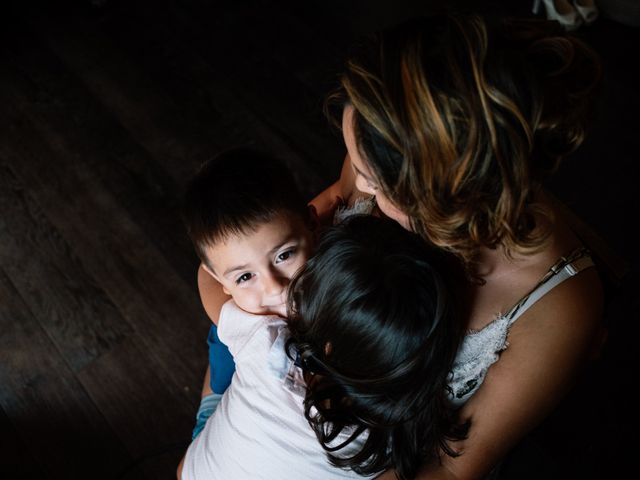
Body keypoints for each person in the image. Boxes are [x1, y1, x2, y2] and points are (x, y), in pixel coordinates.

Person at [309, 13, 605, 479]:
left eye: (374, 180)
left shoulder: (559, 307)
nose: (357, 185)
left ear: (449, 198)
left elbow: (451, 469)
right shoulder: (375, 148)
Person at [178, 147, 467, 478]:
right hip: (217, 445)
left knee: (227, 335)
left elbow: (208, 277)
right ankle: (212, 400)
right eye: (245, 276)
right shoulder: (264, 334)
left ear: (313, 227)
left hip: (210, 455)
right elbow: (207, 276)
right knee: (223, 345)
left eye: (284, 255)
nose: (274, 288)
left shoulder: (269, 332)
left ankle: (213, 399)